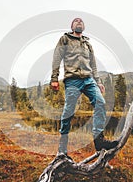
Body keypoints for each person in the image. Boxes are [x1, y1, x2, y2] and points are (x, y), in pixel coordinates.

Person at [50, 18, 118, 157]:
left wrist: (98, 81)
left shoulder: (87, 44)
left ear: (84, 27)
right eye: (76, 21)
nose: (79, 22)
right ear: (72, 26)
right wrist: (54, 78)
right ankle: (62, 148)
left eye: (81, 21)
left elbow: (93, 64)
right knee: (68, 112)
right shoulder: (65, 39)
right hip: (72, 81)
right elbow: (57, 58)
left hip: (88, 80)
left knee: (100, 102)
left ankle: (99, 140)